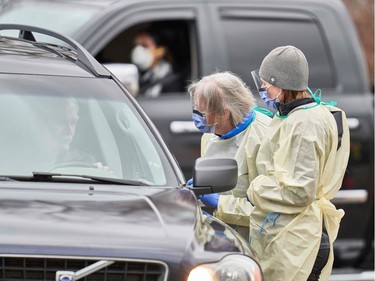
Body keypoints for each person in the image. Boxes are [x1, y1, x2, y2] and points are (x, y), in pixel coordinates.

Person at [247, 45, 350, 281]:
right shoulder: (300, 115)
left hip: (299, 241)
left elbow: (299, 191)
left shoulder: (305, 123)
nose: (263, 90)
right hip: (293, 235)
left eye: (266, 84)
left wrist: (255, 192)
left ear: (280, 83)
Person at [187, 71, 272, 240]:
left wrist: (220, 204)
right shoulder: (210, 136)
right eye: (195, 108)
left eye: (202, 112)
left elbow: (269, 211)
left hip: (260, 240)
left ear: (224, 113)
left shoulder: (265, 137)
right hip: (223, 236)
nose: (197, 116)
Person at [130, 26, 182, 97]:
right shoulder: (135, 75)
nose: (138, 50)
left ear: (160, 50)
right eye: (136, 45)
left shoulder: (170, 80)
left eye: (144, 46)